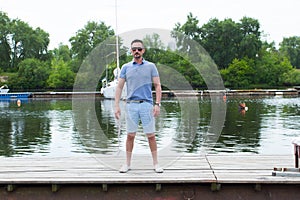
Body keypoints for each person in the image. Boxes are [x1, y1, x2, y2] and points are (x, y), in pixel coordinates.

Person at [114, 39, 163, 173]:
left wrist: (157, 104)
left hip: (147, 104)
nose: (137, 51)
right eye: (134, 49)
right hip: (131, 105)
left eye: (139, 49)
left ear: (143, 51)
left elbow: (158, 86)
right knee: (130, 135)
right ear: (131, 51)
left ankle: (156, 164)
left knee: (151, 135)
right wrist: (116, 105)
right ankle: (127, 164)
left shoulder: (151, 66)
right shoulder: (125, 67)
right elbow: (119, 87)